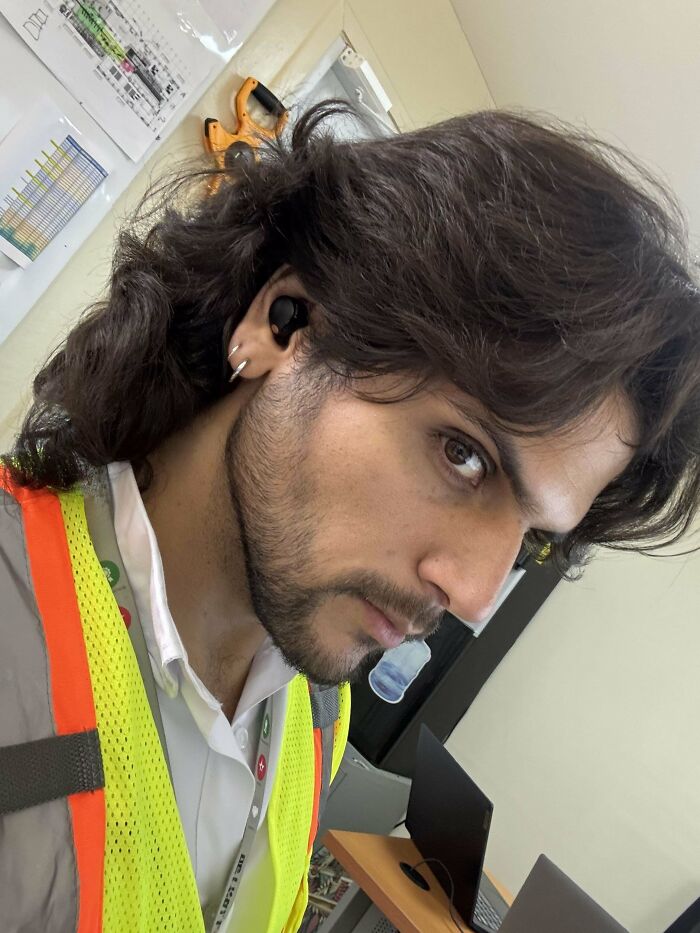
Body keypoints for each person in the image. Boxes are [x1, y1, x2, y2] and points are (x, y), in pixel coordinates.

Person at [1, 103, 698, 933]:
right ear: (280, 323)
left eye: (533, 537)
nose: (475, 595)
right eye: (463, 454)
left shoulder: (312, 720)